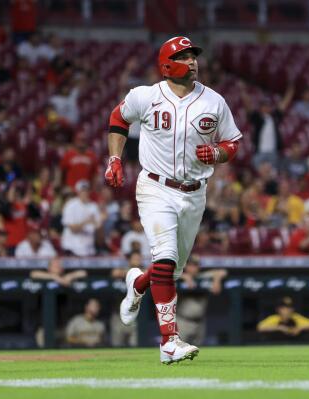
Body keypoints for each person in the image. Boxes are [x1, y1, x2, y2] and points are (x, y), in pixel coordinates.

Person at [105, 36, 241, 364]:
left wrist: (219, 153)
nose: (193, 61)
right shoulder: (146, 96)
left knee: (172, 270)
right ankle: (169, 342)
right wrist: (114, 158)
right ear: (167, 64)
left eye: (194, 56)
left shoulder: (214, 101)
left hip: (195, 193)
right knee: (165, 260)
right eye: (184, 56)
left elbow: (233, 141)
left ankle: (138, 282)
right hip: (155, 187)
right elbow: (118, 118)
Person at [176, 254, 227, 346]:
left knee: (198, 352)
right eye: (190, 265)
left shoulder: (203, 277)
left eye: (195, 265)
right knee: (178, 349)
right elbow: (166, 275)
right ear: (185, 266)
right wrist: (184, 276)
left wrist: (217, 280)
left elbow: (222, 272)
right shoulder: (178, 277)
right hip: (183, 321)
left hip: (200, 322)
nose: (193, 268)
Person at [110, 251, 144, 347]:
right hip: (118, 315)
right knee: (116, 345)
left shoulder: (144, 272)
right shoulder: (124, 270)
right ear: (129, 260)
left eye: (139, 258)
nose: (137, 260)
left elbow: (151, 274)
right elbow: (114, 273)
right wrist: (130, 273)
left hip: (136, 316)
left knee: (135, 345)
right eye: (135, 258)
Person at [61, 180, 102, 256]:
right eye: (82, 190)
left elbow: (99, 231)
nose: (85, 193)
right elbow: (73, 228)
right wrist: (86, 222)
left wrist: (101, 223)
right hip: (72, 249)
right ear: (78, 192)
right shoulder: (71, 205)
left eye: (86, 190)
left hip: (88, 250)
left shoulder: (94, 207)